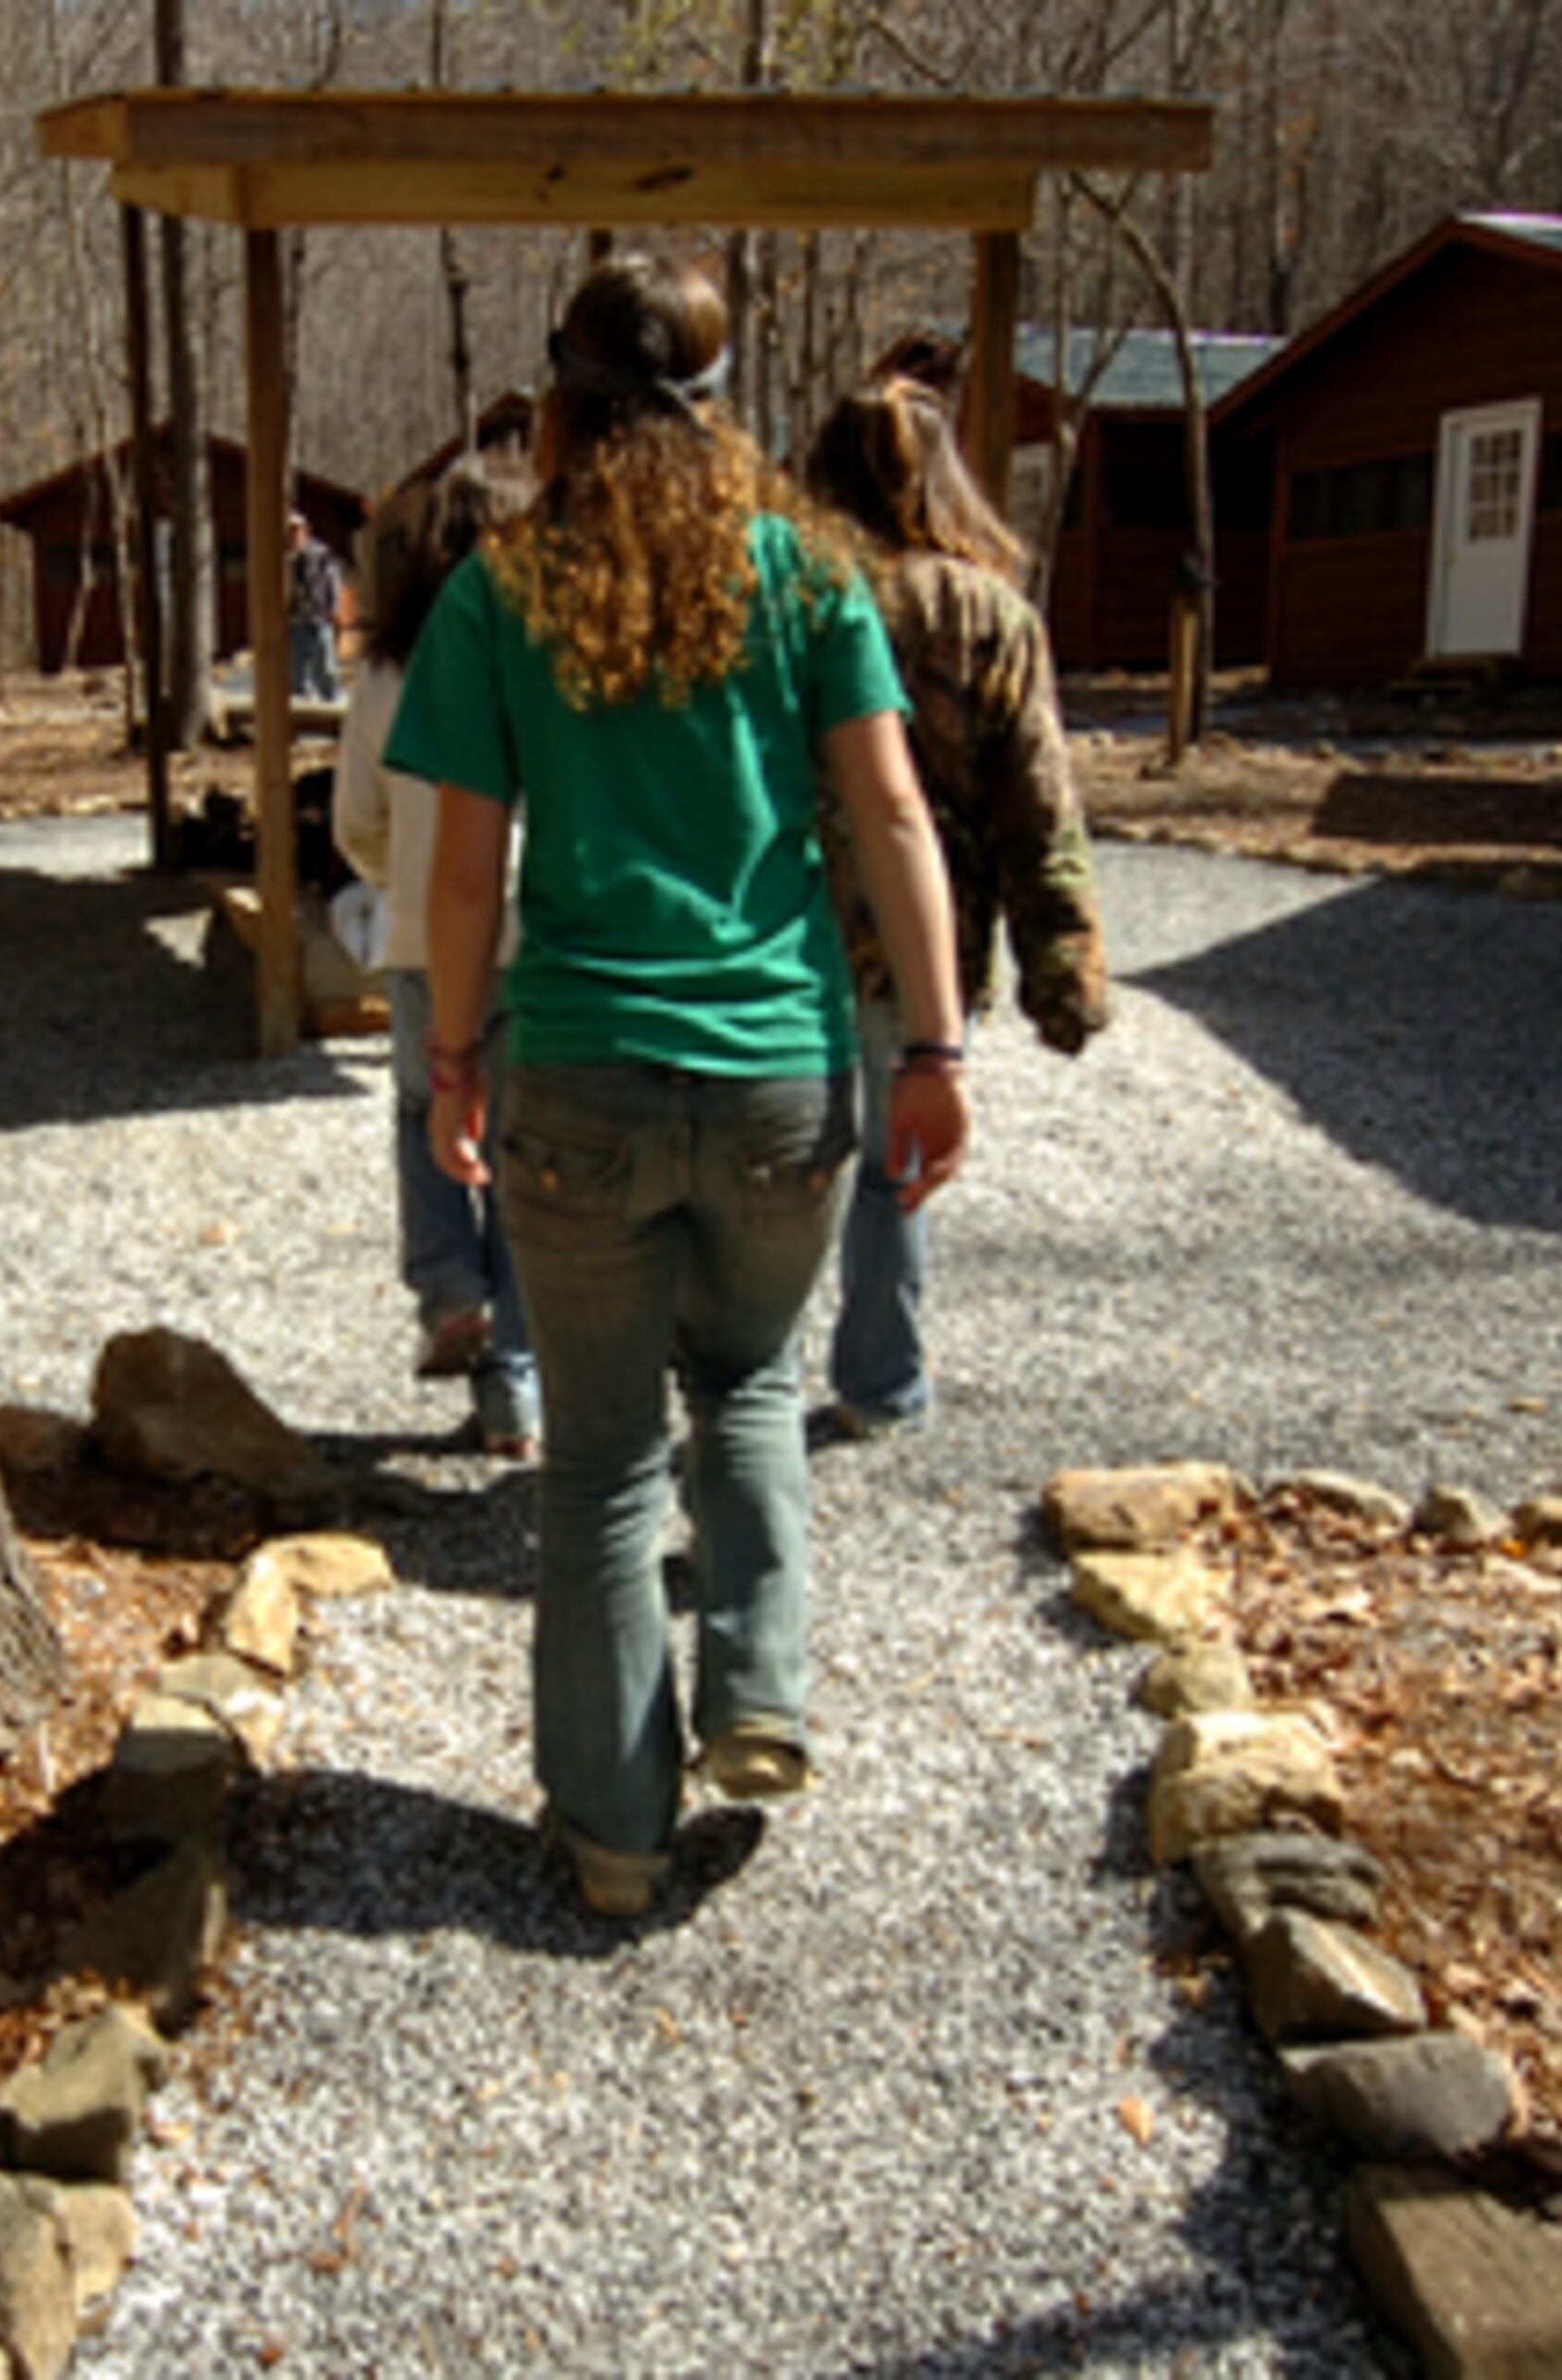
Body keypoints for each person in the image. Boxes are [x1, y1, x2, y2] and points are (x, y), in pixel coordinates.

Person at [384, 255, 974, 1919]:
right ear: (728, 408)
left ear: (561, 399)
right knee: (750, 1383)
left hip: (572, 1069)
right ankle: (760, 1693)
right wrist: (932, 1051)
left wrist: (449, 1061)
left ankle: (618, 1839)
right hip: (782, 1073)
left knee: (595, 1462)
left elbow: (459, 871)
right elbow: (896, 821)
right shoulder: (809, 575)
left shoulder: (505, 590)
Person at [801, 377, 1110, 1440]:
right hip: (930, 945)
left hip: (788, 934)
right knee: (900, 1171)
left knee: (784, 1162)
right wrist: (1063, 966)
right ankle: (878, 1380)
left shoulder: (792, 598)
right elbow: (1040, 804)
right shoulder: (991, 616)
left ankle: (743, 1378)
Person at [333, 455, 542, 1458]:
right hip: (538, 941)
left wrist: (400, 879)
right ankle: (516, 1390)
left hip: (422, 939)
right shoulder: (550, 655)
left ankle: (451, 1288)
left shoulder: (387, 672)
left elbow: (356, 823)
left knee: (426, 1113)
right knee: (520, 1156)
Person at [285, 509, 346, 705]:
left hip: (319, 617)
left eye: (297, 530)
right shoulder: (284, 558)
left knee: (325, 667)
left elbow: (333, 581)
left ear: (305, 531)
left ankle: (331, 702)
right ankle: (300, 709)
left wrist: (334, 609)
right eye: (290, 531)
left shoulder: (321, 555)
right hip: (295, 621)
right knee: (296, 671)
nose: (293, 535)